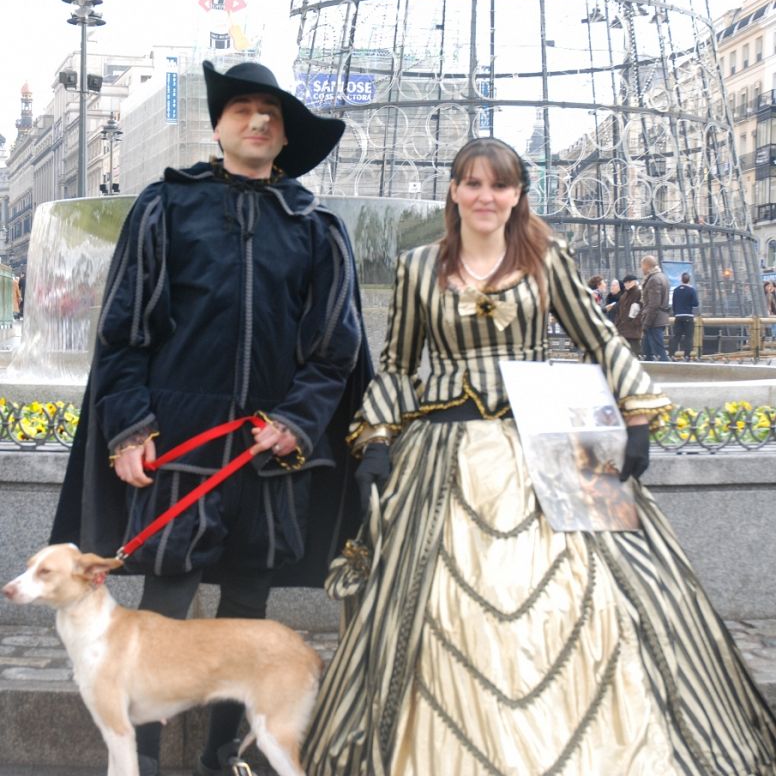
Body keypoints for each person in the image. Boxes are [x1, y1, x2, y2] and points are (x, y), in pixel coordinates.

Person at [303, 137, 776, 775]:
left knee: (597, 592)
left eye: (499, 185)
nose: (485, 196)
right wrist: (379, 439)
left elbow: (597, 335)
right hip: (443, 446)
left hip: (548, 440)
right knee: (439, 603)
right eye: (472, 183)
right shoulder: (419, 267)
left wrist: (635, 416)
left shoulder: (548, 257)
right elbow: (396, 363)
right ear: (453, 190)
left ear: (518, 193)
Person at [50, 60, 373, 776]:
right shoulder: (167, 208)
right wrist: (130, 428)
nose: (257, 121)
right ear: (220, 125)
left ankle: (223, 757)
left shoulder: (315, 227)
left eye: (272, 113)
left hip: (268, 447)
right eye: (243, 109)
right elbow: (125, 331)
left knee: (249, 603)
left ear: (285, 136)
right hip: (180, 441)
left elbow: (336, 347)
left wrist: (296, 419)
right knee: (164, 597)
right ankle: (151, 759)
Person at [639, 254, 670, 361]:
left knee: (659, 351)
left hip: (654, 320)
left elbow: (654, 304)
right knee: (647, 349)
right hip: (659, 318)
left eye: (642, 266)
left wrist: (647, 322)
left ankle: (668, 371)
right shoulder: (662, 277)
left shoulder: (653, 280)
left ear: (647, 266)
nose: (641, 268)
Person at [669, 272, 699, 361]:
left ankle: (671, 355)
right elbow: (695, 303)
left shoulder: (676, 290)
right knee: (688, 337)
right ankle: (687, 356)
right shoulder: (691, 290)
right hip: (688, 316)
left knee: (676, 336)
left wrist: (676, 312)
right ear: (689, 280)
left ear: (681, 279)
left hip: (678, 316)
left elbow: (673, 304)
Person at [615, 273, 643, 356]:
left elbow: (642, 309)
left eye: (628, 282)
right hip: (623, 328)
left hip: (633, 329)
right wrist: (617, 323)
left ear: (634, 282)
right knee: (624, 353)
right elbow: (619, 311)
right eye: (625, 282)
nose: (626, 284)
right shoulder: (624, 295)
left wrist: (635, 322)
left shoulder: (639, 293)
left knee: (635, 352)